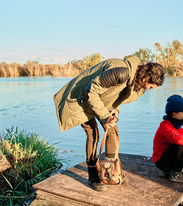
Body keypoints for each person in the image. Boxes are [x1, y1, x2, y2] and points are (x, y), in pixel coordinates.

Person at [54, 55, 165, 191]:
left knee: (112, 130)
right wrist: (105, 117)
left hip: (100, 101)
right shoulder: (121, 72)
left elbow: (118, 95)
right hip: (81, 99)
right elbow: (91, 91)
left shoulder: (136, 82)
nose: (150, 89)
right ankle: (92, 175)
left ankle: (109, 172)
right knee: (93, 134)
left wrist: (115, 110)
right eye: (151, 86)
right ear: (145, 78)